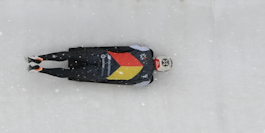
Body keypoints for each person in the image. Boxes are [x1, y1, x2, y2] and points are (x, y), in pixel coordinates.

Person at [28, 44, 172, 85]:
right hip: (101, 74)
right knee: (69, 73)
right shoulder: (146, 80)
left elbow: (122, 48)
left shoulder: (145, 51)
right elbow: (123, 82)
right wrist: (101, 80)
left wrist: (103, 50)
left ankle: (40, 58)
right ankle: (41, 70)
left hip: (102, 56)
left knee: (71, 55)